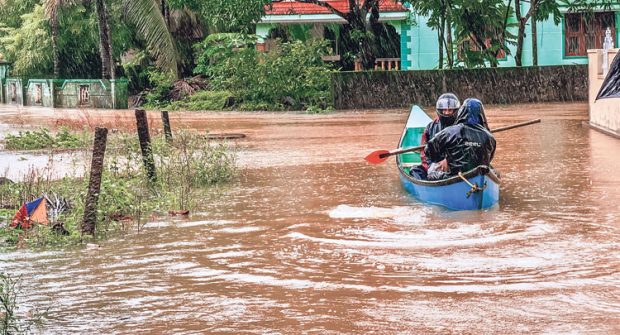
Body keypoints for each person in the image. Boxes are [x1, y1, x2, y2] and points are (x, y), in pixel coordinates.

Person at [424, 98, 495, 180]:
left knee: (430, 175)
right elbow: (489, 158)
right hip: (480, 175)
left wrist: (443, 159)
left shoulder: (449, 132)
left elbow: (429, 150)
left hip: (454, 176)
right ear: (481, 114)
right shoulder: (490, 137)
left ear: (462, 112)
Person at [410, 93, 460, 179]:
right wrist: (432, 166)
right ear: (440, 111)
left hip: (457, 163)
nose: (447, 113)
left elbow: (465, 149)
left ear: (455, 111)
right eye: (444, 110)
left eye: (450, 110)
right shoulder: (430, 128)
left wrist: (449, 161)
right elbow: (424, 153)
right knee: (415, 171)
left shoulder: (462, 127)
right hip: (436, 163)